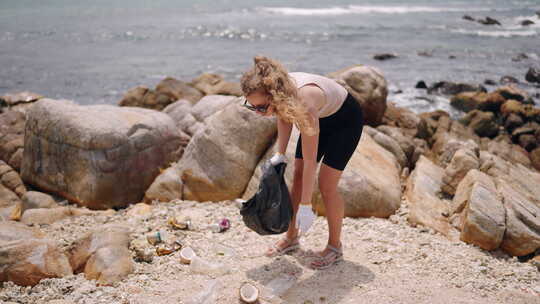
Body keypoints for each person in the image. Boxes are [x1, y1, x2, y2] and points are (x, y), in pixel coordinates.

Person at [240, 56, 364, 269]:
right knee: (296, 174)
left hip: (345, 122)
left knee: (326, 184)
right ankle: (291, 238)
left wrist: (307, 206)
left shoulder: (303, 101)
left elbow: (310, 163)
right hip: (321, 116)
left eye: (261, 107)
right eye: (253, 108)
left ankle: (335, 247)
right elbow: (283, 115)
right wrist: (280, 153)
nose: (259, 113)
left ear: (274, 96)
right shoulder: (280, 98)